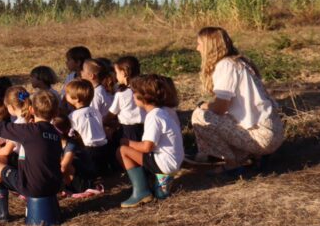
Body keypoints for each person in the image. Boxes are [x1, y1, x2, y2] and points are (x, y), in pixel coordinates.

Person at [188, 27, 285, 175]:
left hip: (262, 136)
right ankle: (250, 155)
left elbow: (220, 108)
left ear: (209, 46)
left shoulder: (225, 65)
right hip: (273, 131)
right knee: (217, 116)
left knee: (199, 116)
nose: (197, 48)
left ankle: (232, 163)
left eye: (199, 43)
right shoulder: (240, 62)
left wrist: (203, 105)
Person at [0, 90, 63, 222]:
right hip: (55, 186)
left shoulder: (29, 130)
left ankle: (0, 212)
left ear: (31, 110)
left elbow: (2, 127)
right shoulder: (56, 133)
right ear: (55, 113)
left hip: (31, 187)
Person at [118, 74, 184, 206]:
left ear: (143, 96)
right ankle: (160, 181)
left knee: (122, 151)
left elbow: (147, 147)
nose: (132, 96)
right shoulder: (162, 111)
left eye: (134, 93)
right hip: (173, 161)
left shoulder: (153, 117)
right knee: (130, 149)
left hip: (164, 162)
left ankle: (142, 191)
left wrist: (127, 142)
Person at [66, 79, 107, 194]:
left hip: (88, 149)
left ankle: (88, 184)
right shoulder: (95, 111)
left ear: (77, 99)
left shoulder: (73, 116)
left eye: (68, 94)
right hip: (103, 146)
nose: (65, 96)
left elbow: (71, 134)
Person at [108, 56, 146, 142]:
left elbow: (112, 113)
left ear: (123, 73)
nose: (116, 75)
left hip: (128, 129)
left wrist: (103, 121)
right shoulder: (143, 89)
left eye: (116, 72)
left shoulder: (121, 94)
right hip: (145, 126)